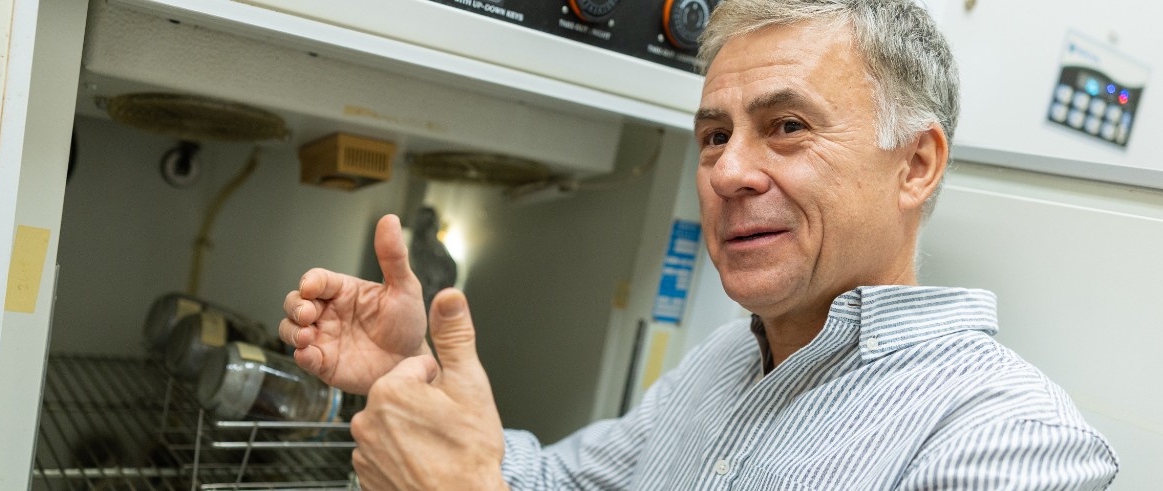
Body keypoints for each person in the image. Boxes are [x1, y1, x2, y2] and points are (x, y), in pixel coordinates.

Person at [279, 0, 1119, 488]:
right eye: (714, 134)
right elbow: (561, 484)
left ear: (917, 165)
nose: (728, 171)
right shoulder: (726, 364)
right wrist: (406, 380)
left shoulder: (1015, 440)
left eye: (786, 126)